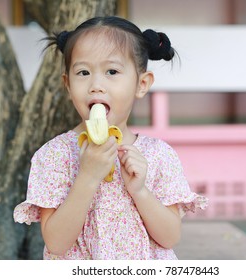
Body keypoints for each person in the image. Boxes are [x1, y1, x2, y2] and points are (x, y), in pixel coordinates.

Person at [13, 16, 208, 260]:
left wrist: (140, 190)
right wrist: (87, 176)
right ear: (67, 84)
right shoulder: (54, 155)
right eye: (83, 72)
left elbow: (169, 238)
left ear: (142, 84)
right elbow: (56, 243)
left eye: (112, 71)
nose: (96, 85)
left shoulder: (159, 154)